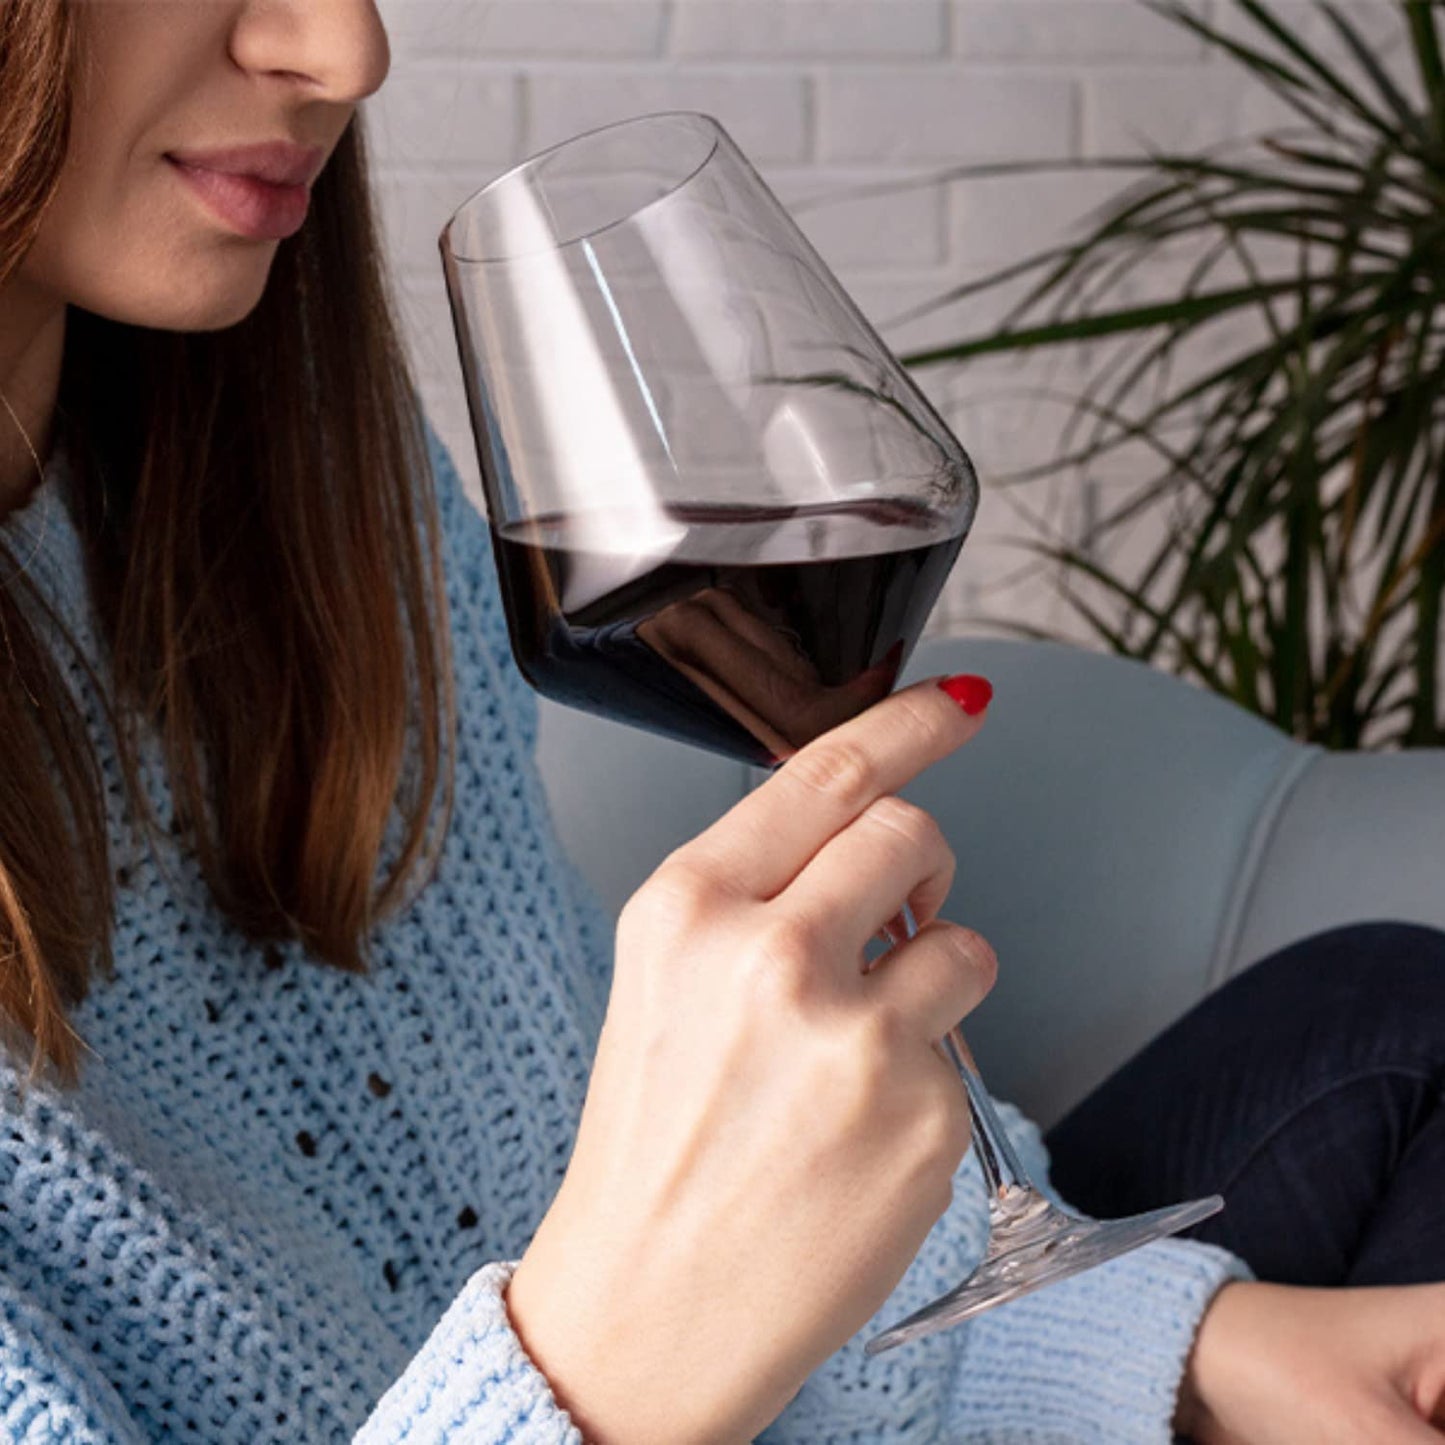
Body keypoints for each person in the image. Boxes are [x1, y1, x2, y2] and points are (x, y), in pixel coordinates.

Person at [0, 2, 1441, 1442]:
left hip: (810, 1395)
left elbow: (598, 1115)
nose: (346, 53)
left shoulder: (305, 481)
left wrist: (1177, 1344)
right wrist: (598, 1378)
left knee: (1393, 1014)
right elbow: (660, 1297)